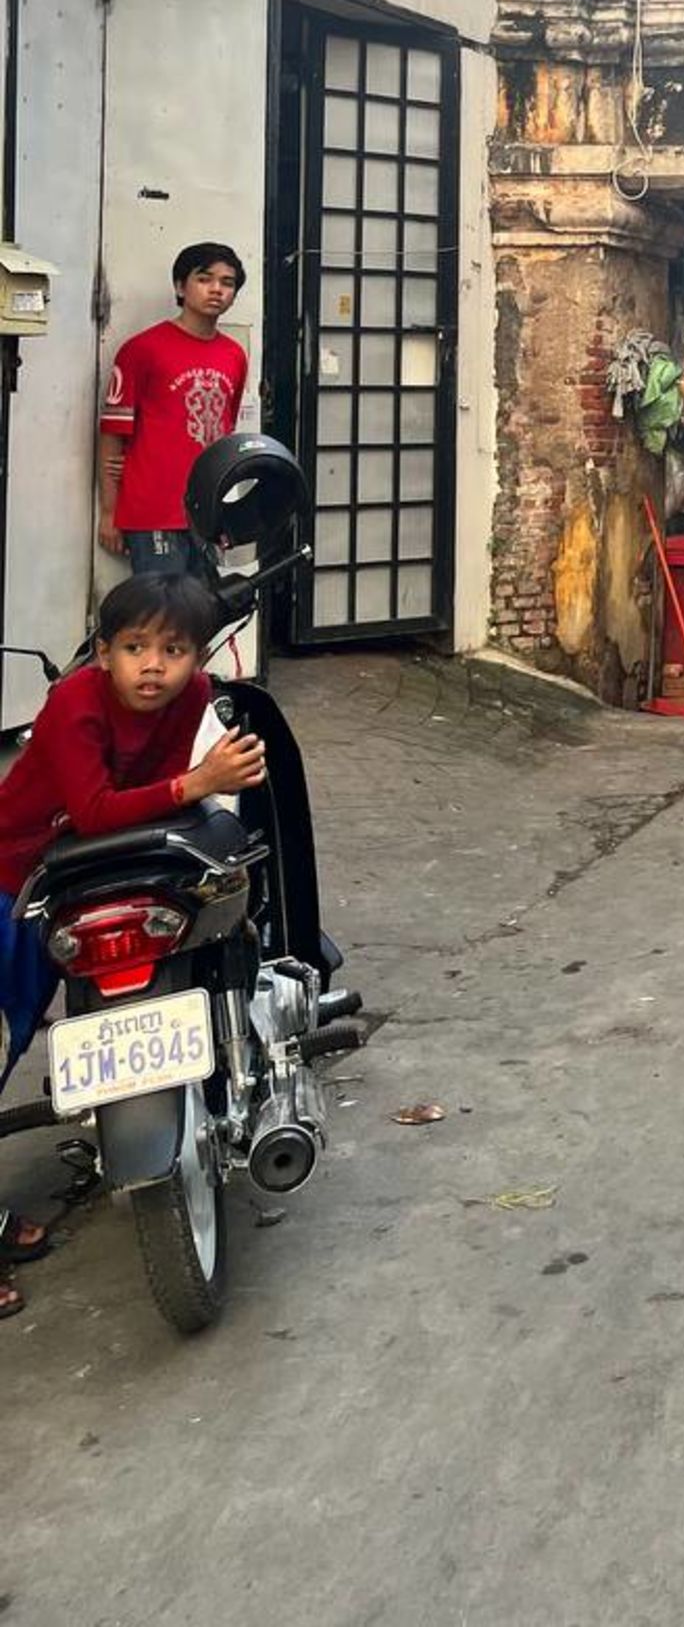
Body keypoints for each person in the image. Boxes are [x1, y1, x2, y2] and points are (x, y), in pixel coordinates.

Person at [0, 572, 265, 1320]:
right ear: (105, 652)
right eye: (134, 646)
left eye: (173, 649)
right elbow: (90, 806)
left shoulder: (193, 698)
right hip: (14, 877)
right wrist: (197, 781)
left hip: (94, 870)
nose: (153, 664)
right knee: (3, 1038)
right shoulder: (74, 704)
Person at [98, 243, 250, 577]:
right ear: (181, 286)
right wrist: (109, 512)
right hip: (152, 512)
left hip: (208, 514)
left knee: (204, 617)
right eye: (205, 279)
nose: (216, 289)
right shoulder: (142, 350)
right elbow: (112, 433)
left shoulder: (235, 355)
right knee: (162, 621)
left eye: (227, 283)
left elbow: (224, 432)